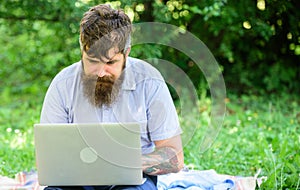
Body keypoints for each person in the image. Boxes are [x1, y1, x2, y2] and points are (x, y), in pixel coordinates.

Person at [40, 4, 184, 190]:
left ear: (127, 53)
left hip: (132, 181)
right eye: (92, 61)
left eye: (110, 62)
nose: (100, 72)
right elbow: (50, 155)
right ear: (82, 51)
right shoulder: (63, 84)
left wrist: (128, 163)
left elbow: (175, 157)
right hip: (76, 181)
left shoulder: (150, 81)